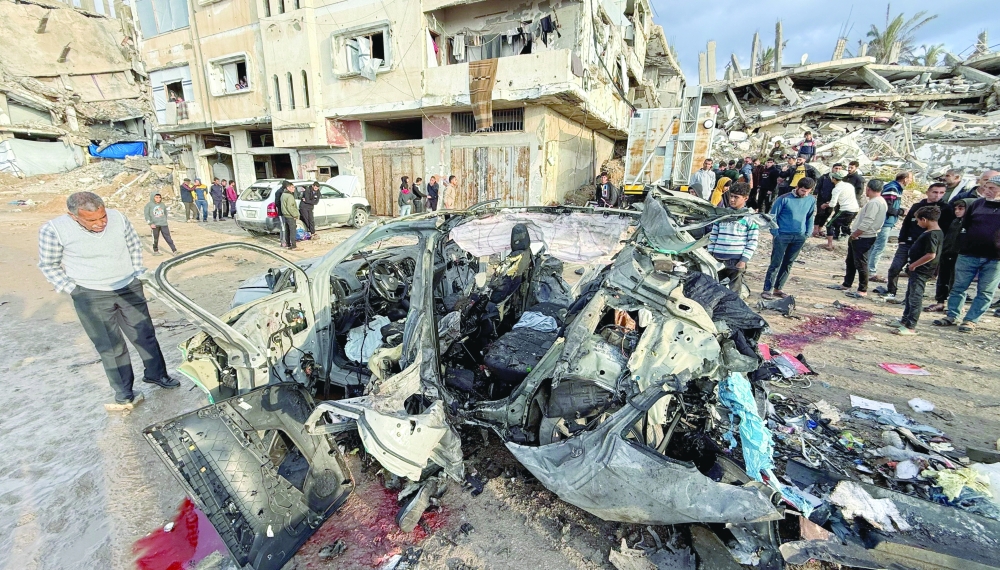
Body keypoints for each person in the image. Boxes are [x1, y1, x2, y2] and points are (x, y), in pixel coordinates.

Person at [37, 192, 180, 410]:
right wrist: (74, 289)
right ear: (73, 216)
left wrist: (136, 273)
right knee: (111, 345)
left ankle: (157, 375)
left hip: (128, 287)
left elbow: (133, 245)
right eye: (91, 220)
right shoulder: (54, 229)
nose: (100, 223)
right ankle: (124, 392)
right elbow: (48, 264)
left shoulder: (118, 218)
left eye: (102, 217)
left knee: (145, 335)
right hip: (91, 294)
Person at [934, 175, 1000, 332]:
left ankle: (971, 320)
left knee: (985, 291)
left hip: (995, 258)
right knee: (958, 287)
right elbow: (965, 226)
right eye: (986, 187)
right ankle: (952, 315)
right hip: (968, 254)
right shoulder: (977, 204)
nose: (987, 191)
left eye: (992, 188)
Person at [881, 183, 952, 302]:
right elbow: (907, 223)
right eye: (935, 192)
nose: (937, 195)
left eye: (941, 193)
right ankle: (891, 291)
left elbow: (946, 229)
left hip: (927, 247)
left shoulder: (945, 209)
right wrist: (902, 240)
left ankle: (911, 299)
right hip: (908, 243)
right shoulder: (917, 206)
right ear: (928, 192)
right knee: (894, 268)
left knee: (916, 275)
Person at [763, 177, 816, 300]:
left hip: (799, 236)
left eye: (807, 191)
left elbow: (810, 217)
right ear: (797, 187)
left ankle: (778, 289)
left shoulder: (811, 200)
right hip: (782, 235)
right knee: (775, 263)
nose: (805, 193)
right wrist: (775, 233)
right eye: (803, 190)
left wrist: (808, 233)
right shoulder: (783, 199)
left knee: (788, 263)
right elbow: (772, 217)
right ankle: (767, 289)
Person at [895, 206, 943, 335]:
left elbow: (931, 254)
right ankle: (904, 320)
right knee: (910, 294)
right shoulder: (933, 232)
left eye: (918, 220)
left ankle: (911, 326)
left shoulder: (932, 234)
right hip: (918, 269)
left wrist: (914, 265)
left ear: (925, 219)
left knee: (915, 297)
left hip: (922, 270)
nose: (917, 223)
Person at [834, 180, 886, 298]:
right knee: (851, 261)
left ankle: (862, 289)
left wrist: (856, 234)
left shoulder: (875, 203)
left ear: (868, 189)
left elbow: (868, 221)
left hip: (864, 236)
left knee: (861, 263)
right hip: (863, 235)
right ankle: (847, 284)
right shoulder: (879, 201)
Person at [707, 182, 758, 292]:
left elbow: (752, 241)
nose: (732, 200)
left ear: (745, 198)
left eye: (736, 197)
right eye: (731, 196)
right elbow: (713, 235)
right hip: (717, 258)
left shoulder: (750, 217)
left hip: (736, 260)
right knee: (713, 288)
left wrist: (744, 260)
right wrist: (710, 253)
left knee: (734, 291)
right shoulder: (723, 214)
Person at [927, 198, 972, 312]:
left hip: (960, 256)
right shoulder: (955, 221)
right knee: (942, 279)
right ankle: (940, 302)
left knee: (956, 282)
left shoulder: (970, 223)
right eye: (956, 209)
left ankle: (954, 306)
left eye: (961, 209)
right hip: (947, 253)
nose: (957, 211)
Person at [868, 171, 912, 280]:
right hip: (885, 222)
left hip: (886, 221)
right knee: (879, 246)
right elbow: (888, 207)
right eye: (910, 179)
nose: (911, 181)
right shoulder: (893, 188)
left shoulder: (895, 188)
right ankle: (871, 271)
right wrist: (901, 212)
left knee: (875, 245)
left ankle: (867, 268)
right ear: (905, 179)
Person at [823, 170, 861, 250]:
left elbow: (832, 204)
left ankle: (829, 245)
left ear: (834, 179)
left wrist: (825, 205)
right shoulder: (849, 185)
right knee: (846, 225)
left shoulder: (836, 189)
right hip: (855, 209)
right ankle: (855, 243)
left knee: (829, 224)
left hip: (845, 209)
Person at [813, 164, 844, 237]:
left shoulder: (841, 179)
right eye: (836, 168)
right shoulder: (824, 177)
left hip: (832, 200)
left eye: (840, 169)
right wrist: (815, 194)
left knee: (827, 214)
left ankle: (820, 229)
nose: (838, 170)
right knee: (820, 214)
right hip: (822, 198)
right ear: (832, 168)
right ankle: (815, 230)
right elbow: (818, 186)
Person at [144, 192, 177, 256]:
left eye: (159, 197)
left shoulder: (162, 205)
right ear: (153, 198)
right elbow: (146, 215)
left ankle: (174, 250)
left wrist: (164, 220)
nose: (158, 199)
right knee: (155, 238)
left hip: (163, 224)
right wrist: (150, 223)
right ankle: (155, 251)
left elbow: (165, 213)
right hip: (154, 224)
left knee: (168, 237)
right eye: (156, 197)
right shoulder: (149, 205)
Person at [278, 180, 299, 249]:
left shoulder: (283, 194)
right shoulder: (289, 196)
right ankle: (294, 246)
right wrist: (295, 215)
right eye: (292, 187)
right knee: (292, 230)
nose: (294, 189)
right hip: (290, 215)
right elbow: (290, 207)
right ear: (288, 188)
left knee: (287, 230)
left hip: (285, 215)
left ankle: (288, 244)